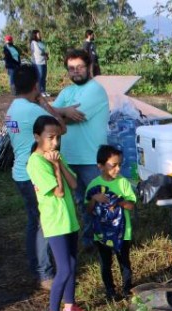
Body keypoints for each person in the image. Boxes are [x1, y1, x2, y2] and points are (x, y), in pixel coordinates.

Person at [5, 65, 68, 290]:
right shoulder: (34, 111)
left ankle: (36, 266)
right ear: (36, 85)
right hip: (36, 174)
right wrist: (45, 103)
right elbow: (61, 128)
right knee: (44, 224)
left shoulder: (13, 108)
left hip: (19, 172)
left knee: (34, 221)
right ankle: (45, 274)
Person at [26, 115, 91, 311]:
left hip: (69, 219)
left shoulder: (55, 156)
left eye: (58, 138)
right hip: (55, 223)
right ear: (37, 137)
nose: (55, 142)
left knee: (73, 264)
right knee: (64, 268)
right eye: (50, 137)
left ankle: (70, 306)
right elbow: (59, 191)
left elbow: (73, 183)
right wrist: (55, 165)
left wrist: (58, 162)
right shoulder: (36, 162)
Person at [52, 49, 109, 250]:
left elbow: (74, 118)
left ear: (90, 67)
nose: (75, 72)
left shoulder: (95, 90)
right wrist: (64, 111)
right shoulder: (67, 92)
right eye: (71, 68)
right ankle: (90, 241)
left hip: (91, 158)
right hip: (70, 158)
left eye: (80, 67)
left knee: (99, 202)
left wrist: (60, 114)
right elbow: (49, 117)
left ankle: (106, 241)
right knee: (82, 203)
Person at [85, 145, 136, 300]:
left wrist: (119, 201)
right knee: (105, 263)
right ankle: (110, 291)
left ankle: (127, 289)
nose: (118, 169)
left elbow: (131, 205)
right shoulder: (94, 185)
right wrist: (94, 199)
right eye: (113, 165)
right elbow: (88, 210)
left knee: (124, 262)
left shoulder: (123, 183)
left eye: (120, 164)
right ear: (100, 166)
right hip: (101, 234)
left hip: (122, 232)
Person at [30, 30, 49, 97]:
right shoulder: (33, 42)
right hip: (37, 62)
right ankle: (39, 91)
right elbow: (38, 52)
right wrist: (45, 53)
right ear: (35, 35)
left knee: (44, 77)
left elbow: (45, 50)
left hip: (44, 61)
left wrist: (46, 54)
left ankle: (43, 91)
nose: (40, 35)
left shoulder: (41, 42)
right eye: (38, 34)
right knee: (39, 77)